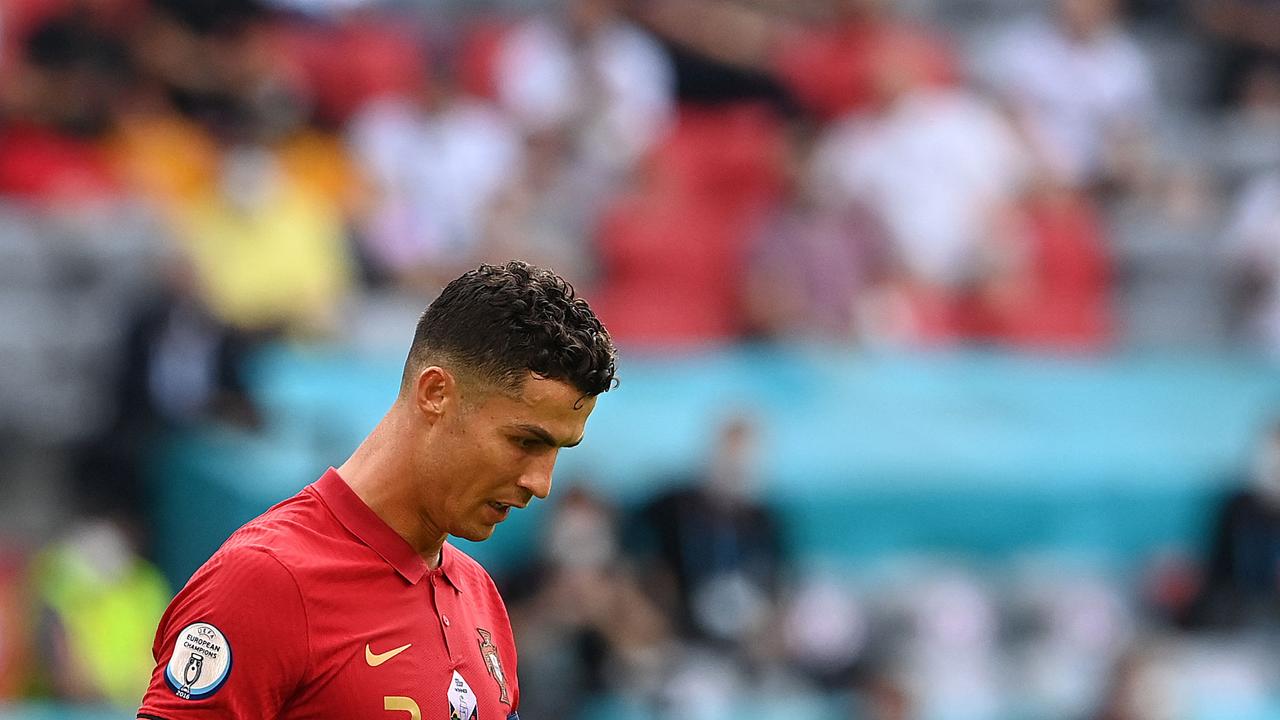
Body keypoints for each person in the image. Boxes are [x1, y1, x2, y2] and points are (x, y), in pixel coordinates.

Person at [136, 261, 617, 720]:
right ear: (435, 394)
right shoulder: (267, 579)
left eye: (559, 449)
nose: (541, 482)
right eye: (525, 441)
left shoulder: (478, 593)